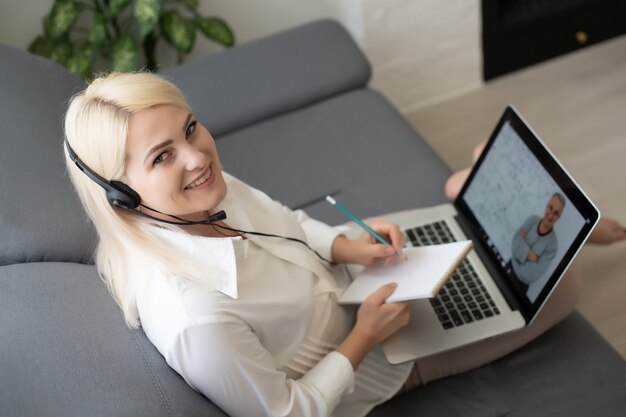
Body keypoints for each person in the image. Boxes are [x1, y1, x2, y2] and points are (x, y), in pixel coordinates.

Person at [62, 72, 622, 417]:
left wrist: (351, 249)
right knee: (560, 285)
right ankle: (551, 220)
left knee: (451, 228)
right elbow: (289, 412)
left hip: (351, 279)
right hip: (379, 355)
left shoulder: (203, 193)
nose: (197, 157)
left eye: (190, 128)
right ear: (123, 196)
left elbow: (288, 222)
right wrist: (365, 337)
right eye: (162, 156)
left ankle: (503, 202)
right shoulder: (197, 321)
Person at [509, 193, 564, 292]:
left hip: (519, 286)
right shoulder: (532, 220)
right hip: (508, 267)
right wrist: (530, 255)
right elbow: (515, 242)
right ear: (546, 205)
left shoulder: (553, 245)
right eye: (550, 208)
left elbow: (533, 274)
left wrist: (521, 250)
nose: (551, 215)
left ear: (559, 218)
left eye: (556, 213)